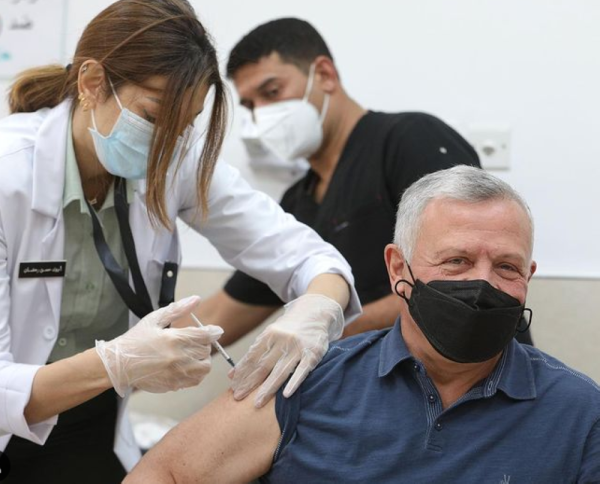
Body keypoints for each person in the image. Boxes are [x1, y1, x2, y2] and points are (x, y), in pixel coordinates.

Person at [0, 1, 360, 482]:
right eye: (153, 115)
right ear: (92, 83)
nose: (168, 144)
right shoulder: (8, 174)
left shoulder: (176, 159)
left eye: (184, 125)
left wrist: (316, 309)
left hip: (91, 426)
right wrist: (117, 364)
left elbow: (306, 256)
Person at [124, 166, 600, 484]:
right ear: (398, 269)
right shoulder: (306, 383)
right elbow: (164, 474)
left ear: (528, 278)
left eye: (507, 267)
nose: (482, 284)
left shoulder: (579, 413)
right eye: (456, 261)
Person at [195, 18, 495, 406]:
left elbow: (466, 284)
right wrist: (136, 351)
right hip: (375, 400)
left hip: (469, 392)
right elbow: (225, 310)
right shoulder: (298, 203)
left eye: (272, 92)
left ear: (324, 74)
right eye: (251, 105)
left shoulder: (410, 141)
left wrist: (326, 326)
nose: (262, 114)